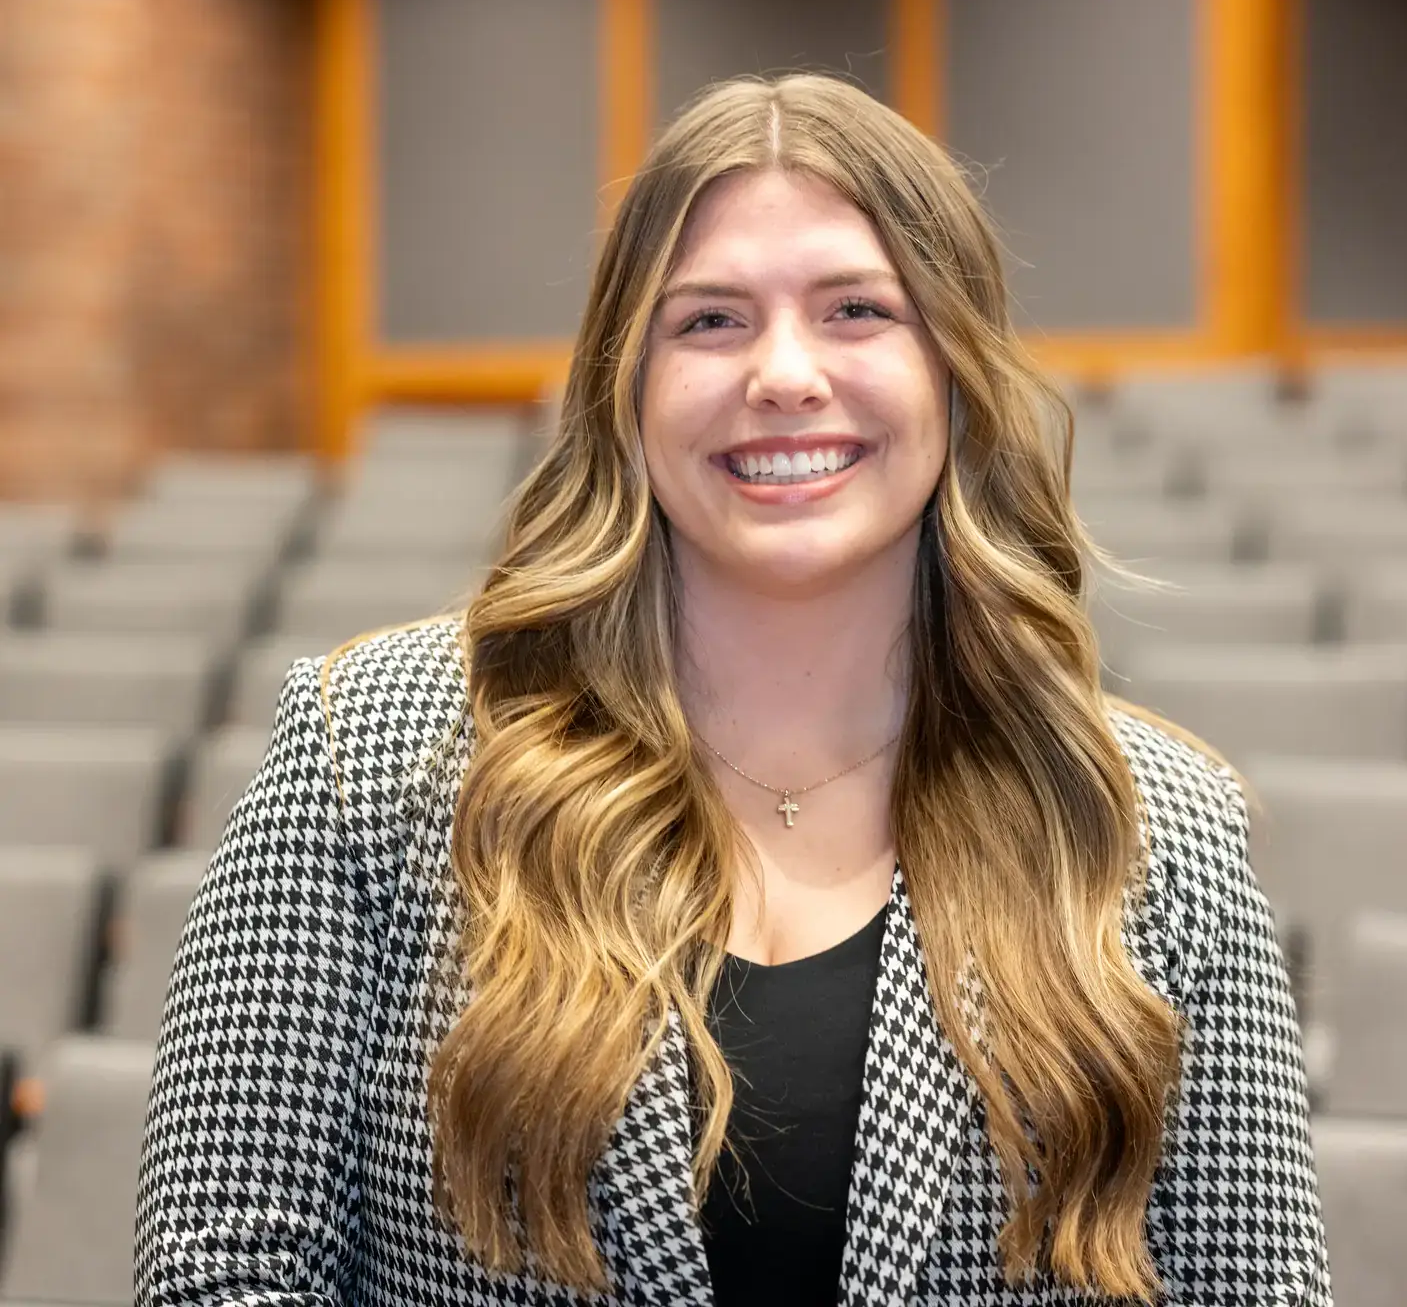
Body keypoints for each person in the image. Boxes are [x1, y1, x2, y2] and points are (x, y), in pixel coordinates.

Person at [134, 72, 1330, 1306]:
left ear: (956, 371)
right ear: (626, 385)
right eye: (709, 321)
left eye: (858, 309)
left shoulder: (1159, 823)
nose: (785, 374)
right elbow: (226, 1270)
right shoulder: (372, 758)